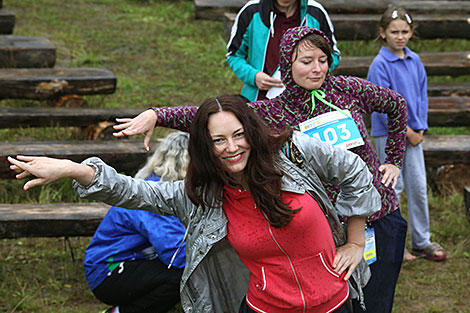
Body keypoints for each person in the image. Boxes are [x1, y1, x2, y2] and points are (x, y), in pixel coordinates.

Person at [112, 27, 409, 313]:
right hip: (331, 226)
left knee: (380, 301)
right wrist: (158, 115)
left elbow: (396, 105)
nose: (317, 69)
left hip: (380, 215)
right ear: (286, 65)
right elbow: (213, 118)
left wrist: (394, 159)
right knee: (345, 301)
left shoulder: (348, 89)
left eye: (323, 60)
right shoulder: (273, 111)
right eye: (306, 62)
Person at [9, 95, 381, 313]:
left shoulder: (294, 154)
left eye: (238, 135)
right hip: (264, 306)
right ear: (205, 147)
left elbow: (355, 172)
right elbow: (135, 192)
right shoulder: (203, 197)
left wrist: (354, 241)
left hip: (333, 302)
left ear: (251, 132)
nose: (231, 147)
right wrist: (76, 170)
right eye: (218, 141)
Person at [367, 7, 446, 263]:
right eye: (394, 32)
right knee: (393, 189)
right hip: (389, 136)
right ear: (383, 33)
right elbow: (379, 106)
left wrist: (419, 127)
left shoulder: (415, 60)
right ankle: (394, 244)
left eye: (404, 31)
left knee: (418, 188)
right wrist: (407, 132)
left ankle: (422, 241)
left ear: (411, 33)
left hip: (414, 136)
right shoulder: (380, 65)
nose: (399, 36)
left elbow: (421, 97)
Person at [87, 131, 189, 313]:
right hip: (109, 269)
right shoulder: (157, 195)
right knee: (181, 276)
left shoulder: (157, 185)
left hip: (136, 261)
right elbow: (176, 255)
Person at [226, 0, 340, 101]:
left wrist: (311, 72)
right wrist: (253, 76)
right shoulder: (251, 11)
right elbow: (234, 55)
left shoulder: (316, 12)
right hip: (259, 98)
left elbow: (333, 55)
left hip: (307, 100)